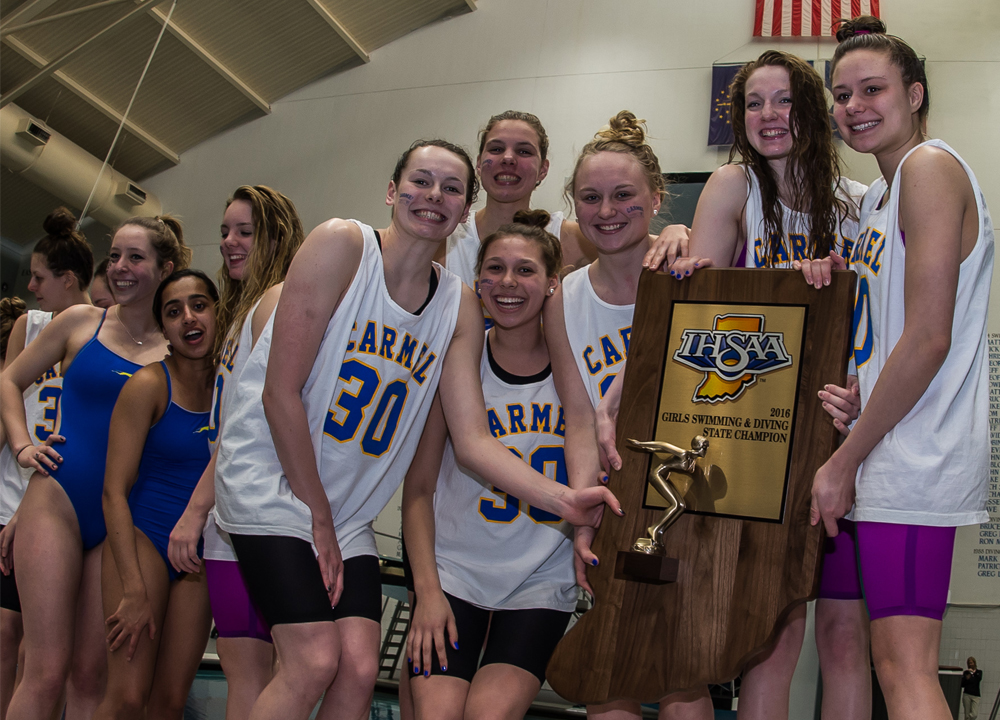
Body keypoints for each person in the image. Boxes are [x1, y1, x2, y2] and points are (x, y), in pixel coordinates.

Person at [212, 139, 620, 720]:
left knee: (357, 667)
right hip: (273, 487)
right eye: (421, 181)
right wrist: (317, 517)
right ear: (391, 190)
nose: (434, 196)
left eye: (452, 189)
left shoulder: (455, 305)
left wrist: (568, 502)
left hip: (346, 509)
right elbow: (279, 395)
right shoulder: (342, 245)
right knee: (312, 661)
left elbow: (475, 442)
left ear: (465, 212)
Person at [599, 52, 871, 719]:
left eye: (783, 101)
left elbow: (879, 328)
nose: (769, 117)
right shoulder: (733, 186)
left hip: (836, 439)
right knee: (768, 635)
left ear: (812, 109)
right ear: (738, 117)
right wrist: (614, 401)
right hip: (752, 446)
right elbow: (697, 313)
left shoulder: (860, 205)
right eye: (754, 103)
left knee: (844, 638)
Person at [811, 16, 994, 720]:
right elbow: (892, 339)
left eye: (873, 89)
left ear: (914, 94)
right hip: (883, 448)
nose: (853, 105)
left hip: (913, 462)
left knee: (906, 669)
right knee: (865, 657)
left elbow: (927, 339)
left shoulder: (929, 168)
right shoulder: (880, 198)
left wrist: (842, 462)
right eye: (842, 93)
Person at [540, 110, 709, 720]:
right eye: (590, 198)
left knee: (682, 673)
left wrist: (692, 237)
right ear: (574, 206)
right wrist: (583, 511)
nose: (606, 210)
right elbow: (579, 418)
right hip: (613, 508)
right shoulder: (563, 300)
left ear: (657, 199)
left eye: (623, 195)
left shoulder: (689, 273)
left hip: (689, 503)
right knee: (607, 671)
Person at [0, 215, 188, 719]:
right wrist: (22, 447)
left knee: (90, 674)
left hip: (119, 519)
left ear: (165, 267)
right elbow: (8, 380)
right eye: (115, 256)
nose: (120, 268)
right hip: (57, 500)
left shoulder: (179, 351)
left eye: (136, 258)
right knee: (43, 668)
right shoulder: (82, 321)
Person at [404, 210, 573, 720]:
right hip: (454, 576)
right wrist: (428, 593)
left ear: (551, 284)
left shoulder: (578, 369)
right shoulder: (456, 365)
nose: (507, 282)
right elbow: (418, 491)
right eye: (494, 269)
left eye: (525, 270)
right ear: (477, 283)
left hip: (540, 579)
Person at [168, 185, 306, 720]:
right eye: (225, 231)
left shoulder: (279, 304)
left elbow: (242, 428)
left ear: (276, 235)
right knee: (243, 671)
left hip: (257, 513)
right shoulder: (243, 310)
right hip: (232, 516)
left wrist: (193, 511)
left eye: (244, 232)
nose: (228, 242)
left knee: (268, 672)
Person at [95, 269, 217, 718]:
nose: (189, 317)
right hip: (143, 540)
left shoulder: (232, 388)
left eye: (199, 304)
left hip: (198, 555)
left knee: (168, 703)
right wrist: (131, 589)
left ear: (217, 311)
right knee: (127, 697)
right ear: (163, 327)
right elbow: (112, 492)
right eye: (173, 311)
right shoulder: (148, 384)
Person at [1, 208, 94, 719]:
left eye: (39, 277)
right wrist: (17, 447)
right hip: (18, 486)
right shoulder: (31, 325)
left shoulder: (99, 328)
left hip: (63, 492)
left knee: (50, 652)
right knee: (13, 637)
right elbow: (7, 388)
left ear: (68, 280)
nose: (32, 285)